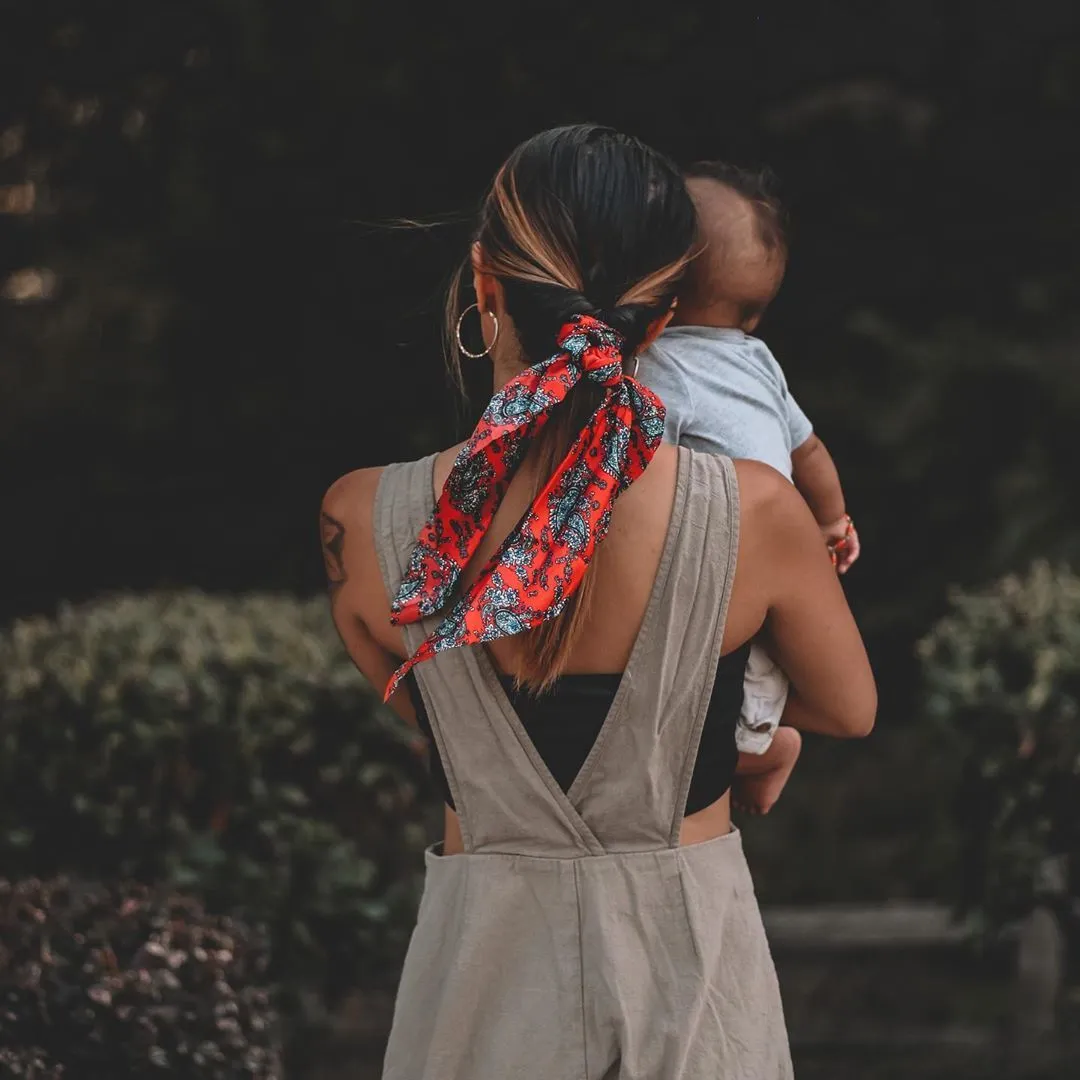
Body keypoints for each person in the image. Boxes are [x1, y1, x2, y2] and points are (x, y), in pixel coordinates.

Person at [321, 124, 876, 1080]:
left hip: (476, 995)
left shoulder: (364, 520)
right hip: (693, 996)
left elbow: (425, 709)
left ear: (483, 284)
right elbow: (846, 707)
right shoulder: (757, 514)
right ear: (662, 320)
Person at [637, 160, 861, 818]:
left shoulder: (652, 367)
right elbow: (809, 450)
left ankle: (757, 752)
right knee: (753, 673)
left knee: (706, 690)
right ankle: (760, 748)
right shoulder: (758, 363)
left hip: (718, 564)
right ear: (754, 315)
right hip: (776, 556)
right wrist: (833, 521)